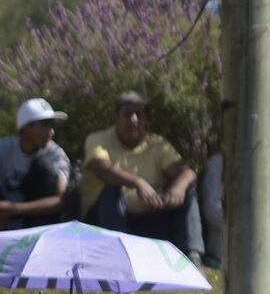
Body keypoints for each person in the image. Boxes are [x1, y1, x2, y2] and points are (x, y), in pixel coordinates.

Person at [82, 92, 202, 260]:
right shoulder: (97, 139)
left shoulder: (157, 143)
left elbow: (187, 172)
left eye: (139, 114)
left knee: (187, 189)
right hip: (104, 222)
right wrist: (138, 183)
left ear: (146, 120)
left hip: (147, 217)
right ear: (115, 118)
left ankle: (191, 256)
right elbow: (104, 170)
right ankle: (118, 258)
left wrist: (178, 188)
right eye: (127, 114)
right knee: (111, 189)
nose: (134, 120)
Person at [0, 99, 70, 231]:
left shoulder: (55, 154)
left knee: (43, 166)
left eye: (52, 125)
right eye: (45, 124)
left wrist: (14, 209)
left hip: (35, 220)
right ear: (26, 128)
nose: (51, 131)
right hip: (1, 218)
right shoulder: (4, 146)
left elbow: (61, 200)